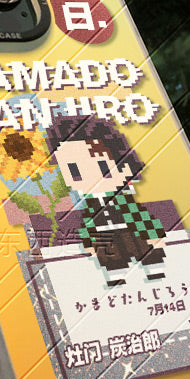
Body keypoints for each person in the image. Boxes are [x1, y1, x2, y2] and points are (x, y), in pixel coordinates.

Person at [45, 114, 167, 286]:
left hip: (132, 231)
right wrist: (88, 241)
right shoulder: (90, 205)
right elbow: (88, 223)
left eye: (103, 167)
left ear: (123, 165)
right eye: (74, 171)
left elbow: (140, 217)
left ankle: (155, 270)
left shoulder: (124, 201)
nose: (88, 177)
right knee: (110, 256)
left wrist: (153, 235)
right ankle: (116, 275)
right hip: (105, 237)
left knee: (144, 248)